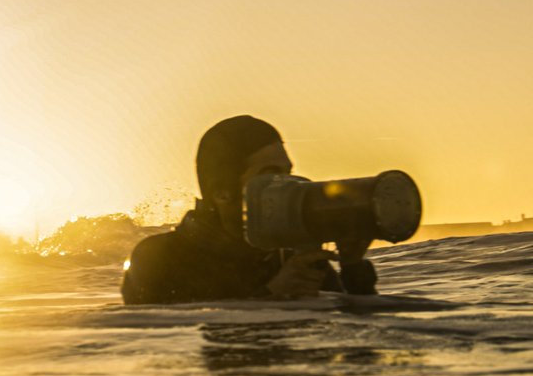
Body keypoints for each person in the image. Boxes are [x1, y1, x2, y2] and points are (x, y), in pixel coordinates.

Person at [121, 115, 377, 305]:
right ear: (222, 191)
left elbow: (359, 359)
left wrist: (353, 268)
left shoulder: (289, 258)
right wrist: (270, 297)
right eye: (271, 176)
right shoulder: (158, 258)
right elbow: (169, 349)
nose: (288, 185)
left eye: (288, 173)